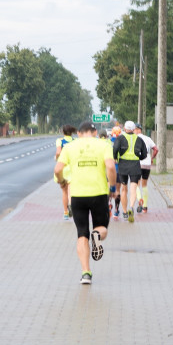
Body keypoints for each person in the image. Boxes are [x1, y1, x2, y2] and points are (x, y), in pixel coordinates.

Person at [54, 120, 117, 285]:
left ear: (79, 134)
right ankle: (96, 236)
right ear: (95, 133)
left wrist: (61, 181)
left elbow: (57, 169)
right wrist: (112, 188)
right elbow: (110, 167)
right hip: (99, 194)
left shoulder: (69, 147)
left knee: (81, 233)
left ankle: (86, 273)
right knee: (101, 228)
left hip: (77, 195)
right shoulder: (104, 145)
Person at [113, 120, 147, 223]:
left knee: (124, 189)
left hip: (123, 165)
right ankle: (131, 207)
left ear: (125, 129)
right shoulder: (139, 139)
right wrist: (139, 157)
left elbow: (115, 149)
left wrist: (115, 158)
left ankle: (124, 212)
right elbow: (144, 153)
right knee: (133, 188)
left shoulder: (120, 138)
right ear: (133, 129)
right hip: (135, 166)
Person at [133, 123, 158, 213]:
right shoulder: (148, 138)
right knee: (145, 184)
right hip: (147, 164)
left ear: (136, 130)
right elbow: (156, 149)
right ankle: (145, 206)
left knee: (136, 183)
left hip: (137, 163)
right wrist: (152, 158)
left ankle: (139, 199)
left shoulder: (134, 138)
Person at [54, 125, 76, 220]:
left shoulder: (60, 141)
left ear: (63, 132)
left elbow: (58, 152)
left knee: (64, 191)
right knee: (71, 190)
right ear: (71, 132)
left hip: (63, 167)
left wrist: (57, 158)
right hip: (72, 167)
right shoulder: (75, 141)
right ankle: (71, 205)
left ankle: (65, 212)